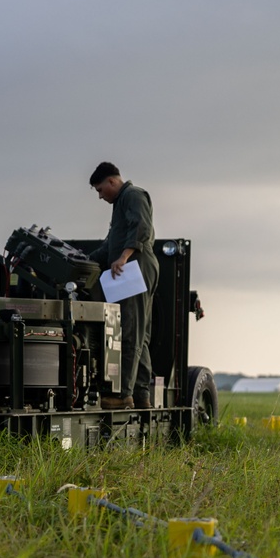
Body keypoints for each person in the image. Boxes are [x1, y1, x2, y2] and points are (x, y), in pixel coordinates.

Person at [87, 162, 159, 410]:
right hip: (130, 267)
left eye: (99, 189)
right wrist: (84, 259)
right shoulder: (120, 204)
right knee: (140, 334)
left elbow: (141, 227)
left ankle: (122, 395)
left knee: (128, 330)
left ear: (111, 182)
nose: (99, 195)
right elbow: (110, 246)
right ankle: (141, 395)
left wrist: (124, 257)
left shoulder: (133, 195)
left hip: (135, 267)